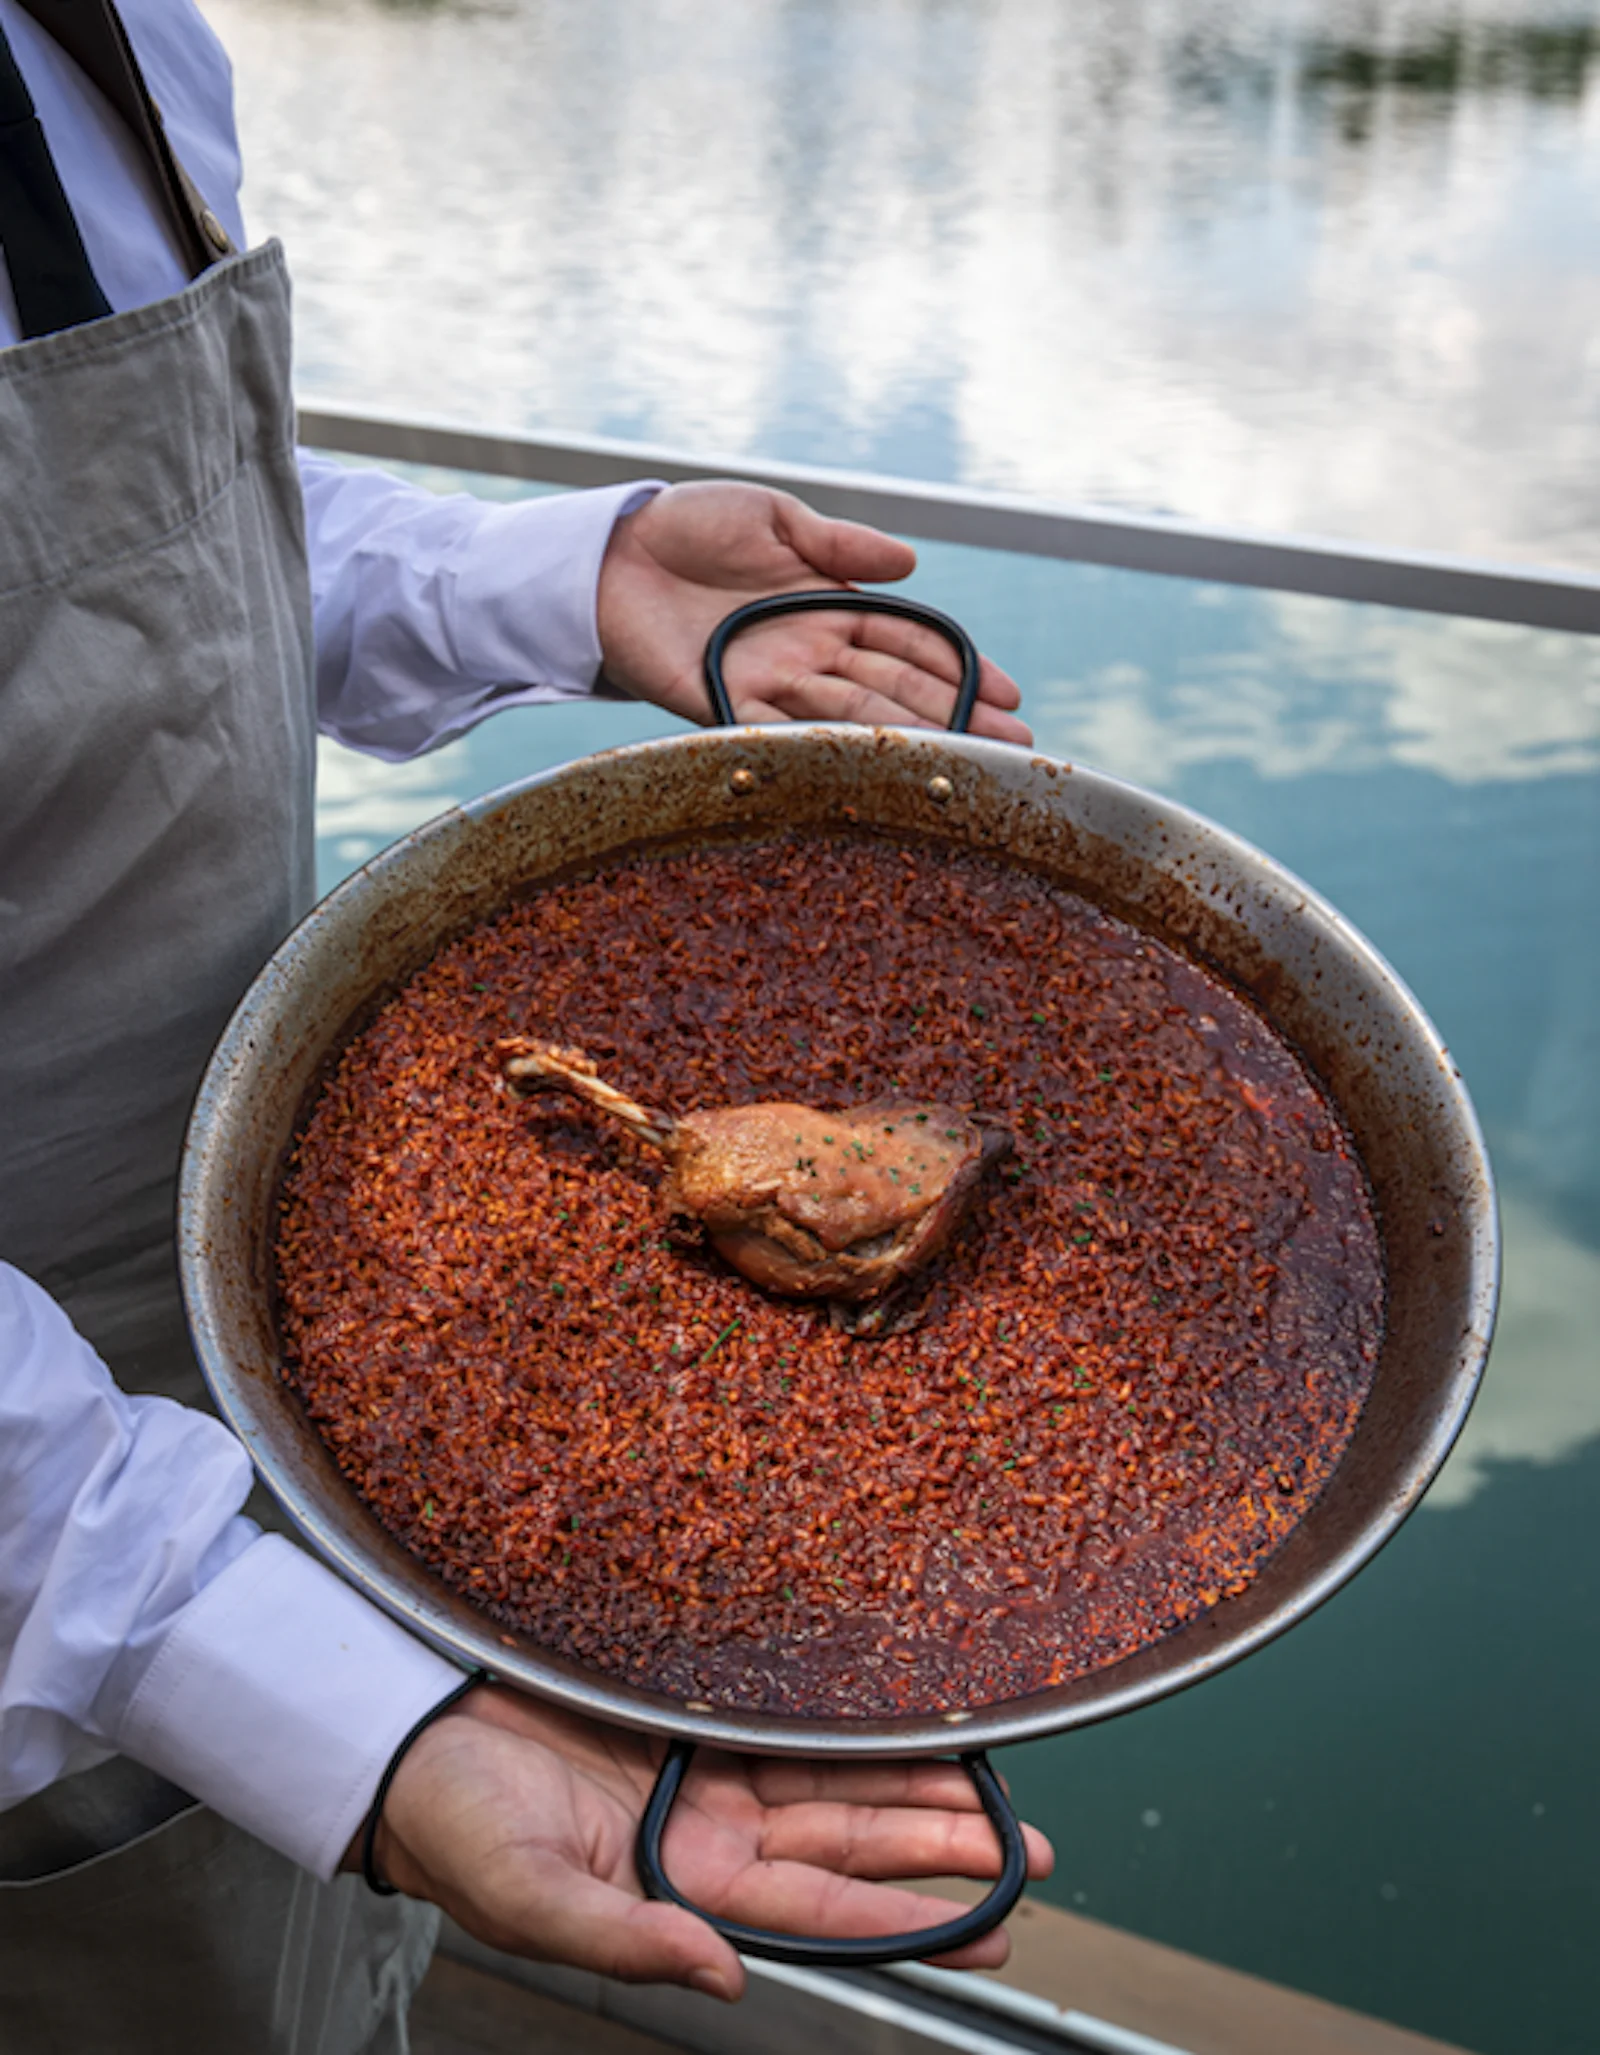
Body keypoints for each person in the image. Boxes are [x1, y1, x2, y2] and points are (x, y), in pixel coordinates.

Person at [0, 0, 1046, 2047]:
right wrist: (254, 1661)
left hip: (274, 1332)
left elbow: (114, 543)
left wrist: (556, 576)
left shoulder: (105, 37)